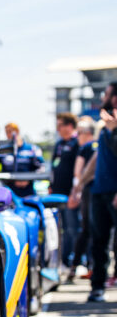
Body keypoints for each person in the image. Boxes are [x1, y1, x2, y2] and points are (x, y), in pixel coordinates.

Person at [70, 82, 117, 301]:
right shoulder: (106, 126)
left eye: (107, 94)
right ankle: (97, 287)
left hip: (115, 193)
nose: (104, 98)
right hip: (99, 192)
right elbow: (98, 159)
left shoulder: (112, 127)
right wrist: (79, 185)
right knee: (98, 240)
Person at [68, 116, 99, 280]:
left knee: (86, 229)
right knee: (101, 231)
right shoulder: (102, 145)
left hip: (89, 190)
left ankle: (74, 267)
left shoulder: (86, 148)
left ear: (87, 133)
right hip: (104, 191)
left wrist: (75, 191)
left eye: (79, 133)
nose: (77, 136)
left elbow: (77, 172)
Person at [51, 113, 81, 269]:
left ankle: (74, 262)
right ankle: (62, 261)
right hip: (57, 194)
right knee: (59, 230)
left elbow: (79, 171)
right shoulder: (59, 144)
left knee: (72, 229)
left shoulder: (77, 143)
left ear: (69, 126)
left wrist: (74, 193)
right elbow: (54, 167)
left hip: (71, 195)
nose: (58, 129)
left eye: (60, 125)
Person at [0, 122, 45, 197]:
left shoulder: (32, 149)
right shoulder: (3, 151)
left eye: (10, 131)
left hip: (28, 192)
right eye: (7, 132)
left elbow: (41, 168)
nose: (8, 135)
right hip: (9, 192)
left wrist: (27, 180)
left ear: (17, 131)